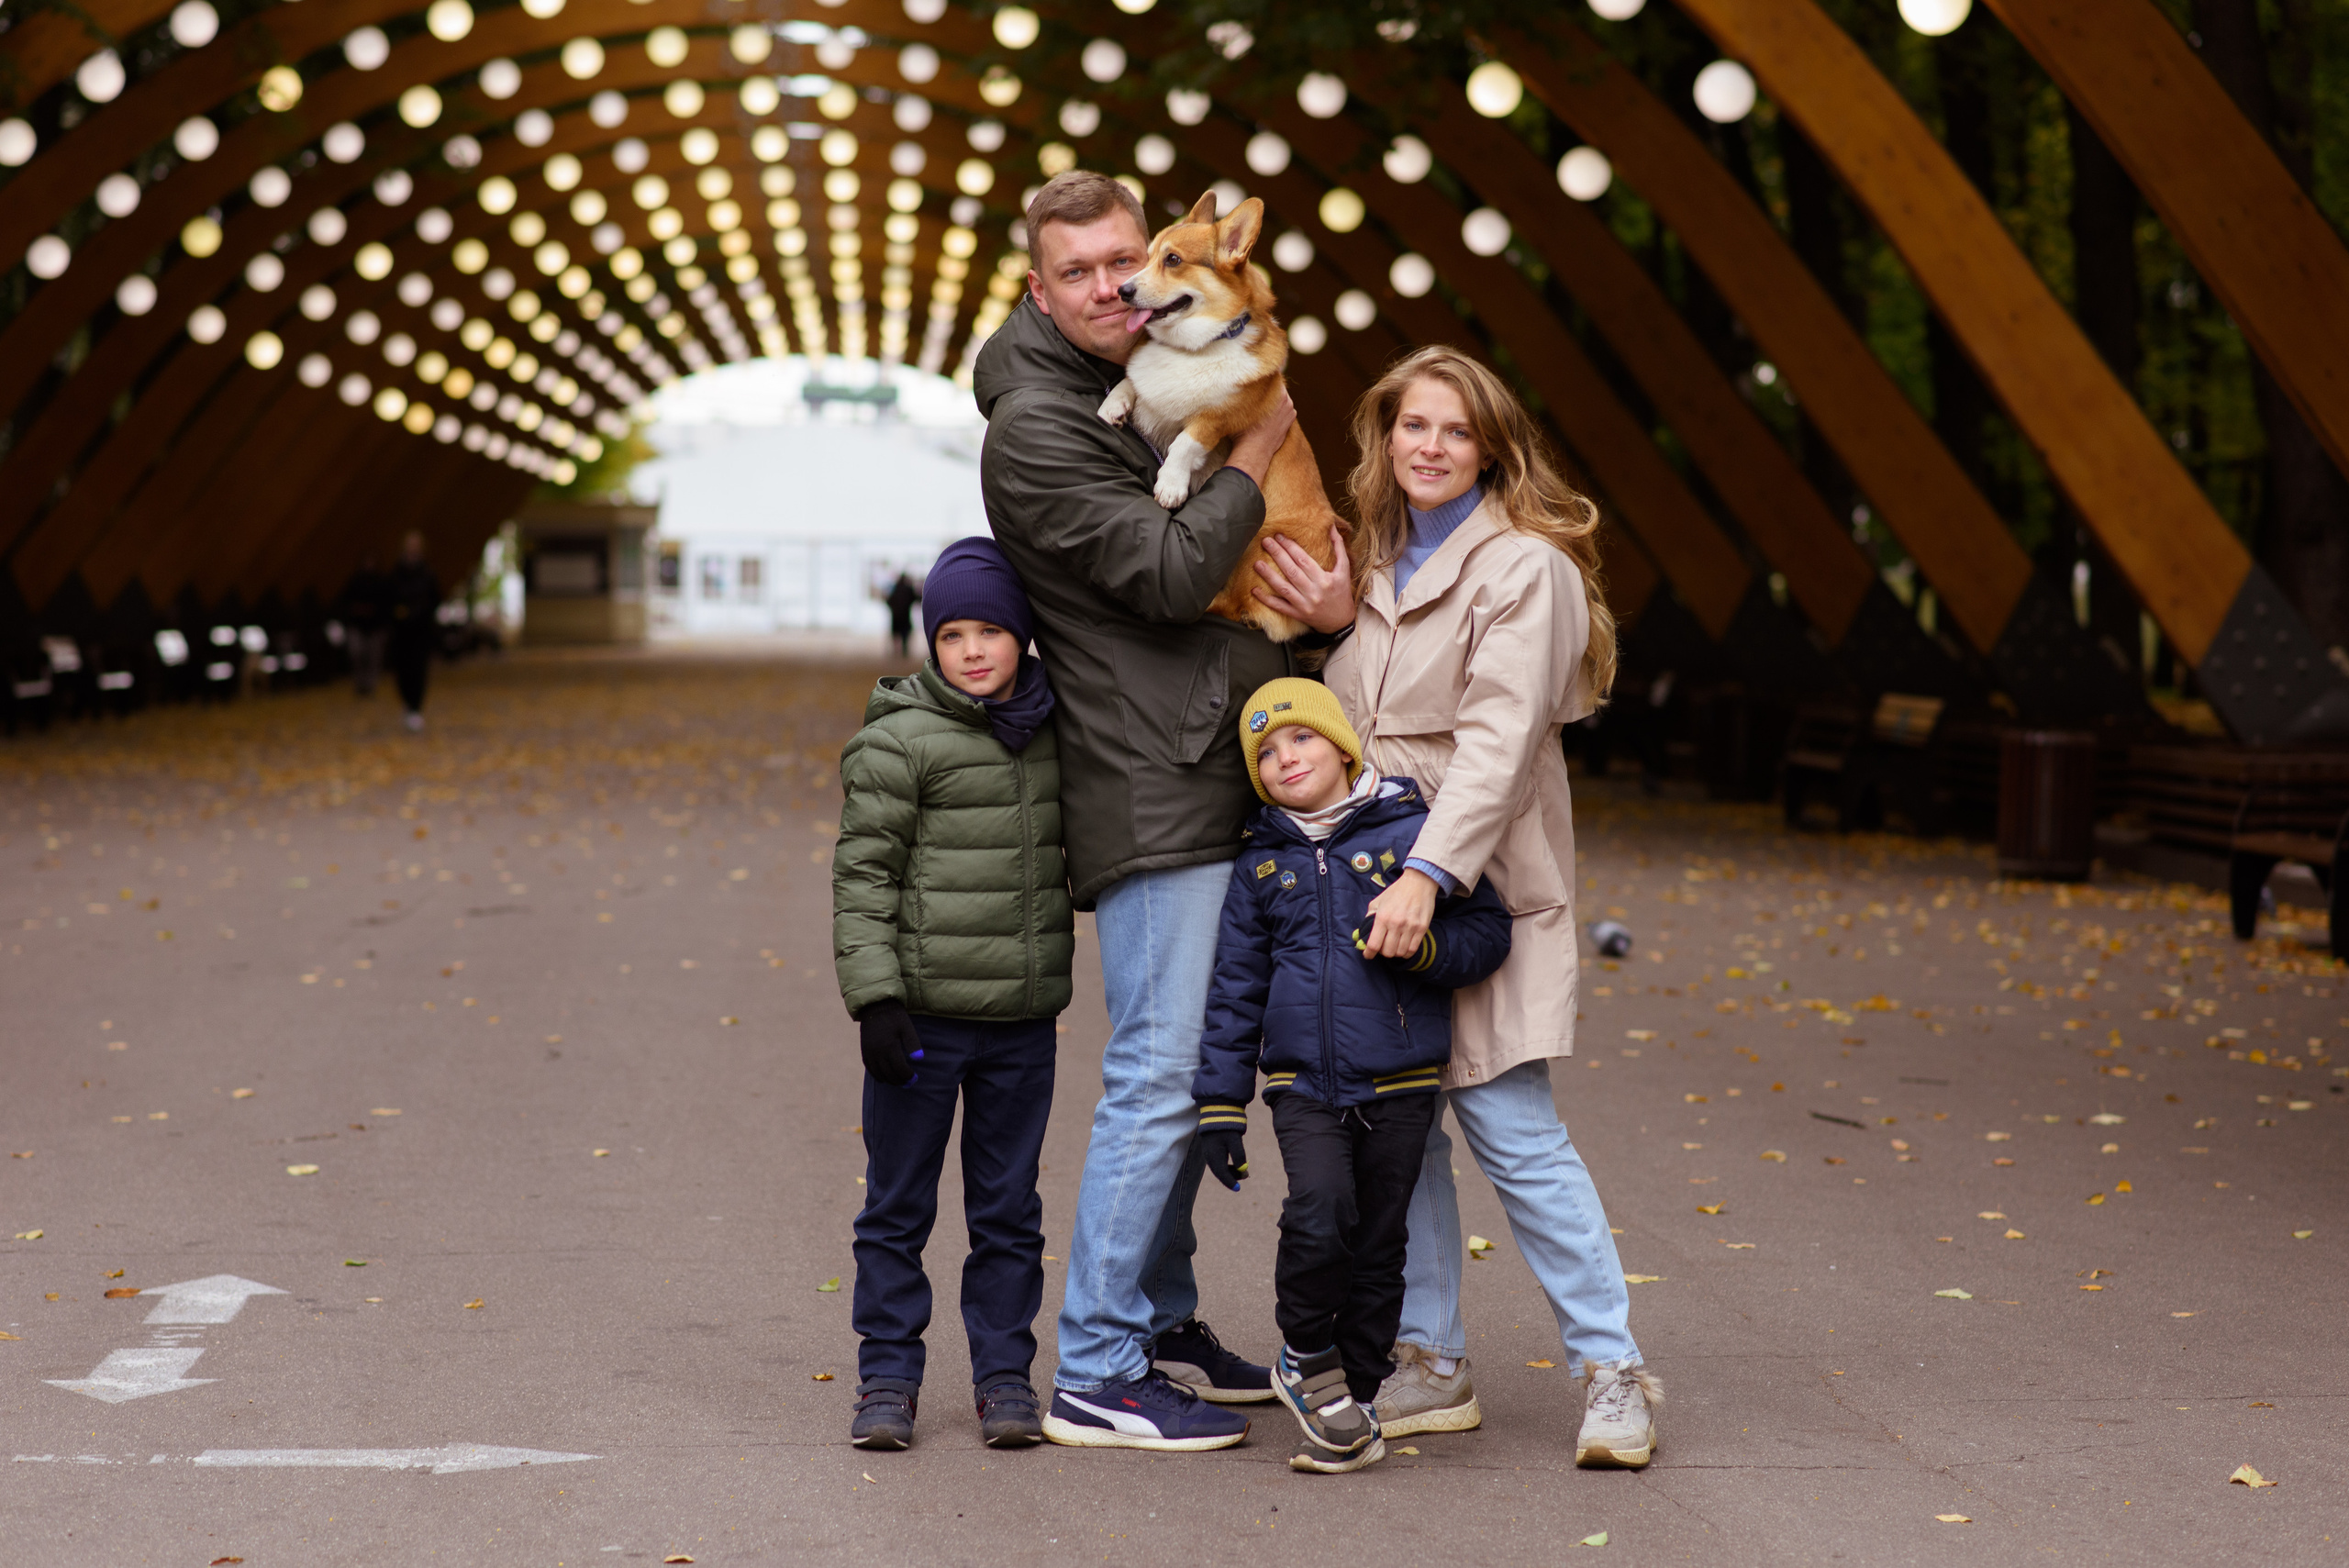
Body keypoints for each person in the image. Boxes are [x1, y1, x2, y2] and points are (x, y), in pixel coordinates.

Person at [1250, 346, 1663, 1467]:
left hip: (1475, 890)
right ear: (1386, 441)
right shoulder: (1373, 563)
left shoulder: (1526, 569)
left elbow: (1494, 743)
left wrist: (1427, 877)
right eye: (1409, 426)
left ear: (1492, 448)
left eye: (1453, 429)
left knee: (1515, 1130)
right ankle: (1431, 1357)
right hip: (1372, 892)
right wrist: (1341, 622)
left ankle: (1611, 1368)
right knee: (1404, 1134)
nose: (1427, 446)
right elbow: (1352, 725)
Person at [973, 169, 1301, 1451]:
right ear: (1037, 288)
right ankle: (1099, 1368)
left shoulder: (1147, 371)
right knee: (1159, 1071)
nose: (1113, 285)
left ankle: (1159, 1321)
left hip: (1207, 758)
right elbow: (1171, 572)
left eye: (1126, 258)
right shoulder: (1037, 428)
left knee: (1190, 1067)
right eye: (1082, 271)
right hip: (1147, 772)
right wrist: (1261, 451)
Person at [1193, 679, 1512, 1474]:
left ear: (1341, 744)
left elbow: (1489, 929)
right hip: (1301, 1083)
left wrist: (1431, 951)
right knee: (1319, 1207)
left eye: (1298, 738)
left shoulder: (1414, 835)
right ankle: (1305, 1354)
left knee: (1380, 1240)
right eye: (1264, 752)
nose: (1283, 758)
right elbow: (1234, 988)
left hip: (1401, 1078)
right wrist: (1221, 1104)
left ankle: (1357, 1402)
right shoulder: (1260, 864)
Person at [830, 538, 1073, 1452]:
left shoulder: (1058, 728)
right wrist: (875, 998)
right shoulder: (898, 738)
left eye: (993, 631)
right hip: (921, 1020)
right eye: (954, 632)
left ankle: (1004, 1375)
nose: (973, 649)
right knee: (896, 1205)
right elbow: (863, 872)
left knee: (1008, 1210)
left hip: (1020, 1021)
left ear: (1022, 637)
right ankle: (886, 1377)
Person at [384, 532, 440, 733]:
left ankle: (416, 707)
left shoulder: (427, 573)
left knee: (418, 670)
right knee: (402, 670)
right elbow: (388, 598)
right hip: (401, 631)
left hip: (421, 630)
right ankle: (408, 703)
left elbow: (435, 600)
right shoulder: (396, 572)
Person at [339, 555, 391, 697]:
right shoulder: (354, 581)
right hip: (357, 625)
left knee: (374, 657)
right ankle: (360, 683)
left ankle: (371, 685)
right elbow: (345, 602)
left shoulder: (381, 582)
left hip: (376, 626)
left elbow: (386, 604)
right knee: (356, 653)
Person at [885, 571, 922, 659]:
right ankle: (904, 651)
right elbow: (917, 598)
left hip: (896, 616)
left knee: (896, 635)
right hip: (905, 617)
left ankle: (896, 652)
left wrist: (894, 609)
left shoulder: (895, 588)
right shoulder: (908, 589)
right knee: (905, 634)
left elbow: (888, 600)